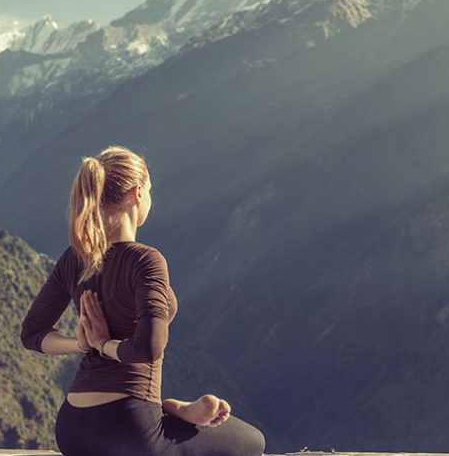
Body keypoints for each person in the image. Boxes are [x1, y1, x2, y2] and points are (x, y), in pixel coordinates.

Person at [20, 145, 266, 456]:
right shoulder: (146, 261)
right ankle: (173, 412)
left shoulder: (74, 259)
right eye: (149, 190)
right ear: (137, 193)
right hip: (128, 424)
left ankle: (175, 410)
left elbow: (32, 334)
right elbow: (148, 348)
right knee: (253, 442)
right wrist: (102, 344)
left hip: (71, 427)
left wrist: (81, 344)